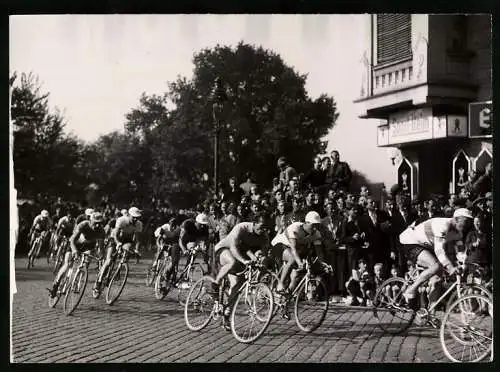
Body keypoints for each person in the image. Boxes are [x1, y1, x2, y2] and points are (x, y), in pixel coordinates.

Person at [398, 208, 473, 310]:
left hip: (427, 245)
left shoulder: (458, 232)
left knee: (437, 280)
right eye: (465, 221)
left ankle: (430, 314)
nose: (467, 225)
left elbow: (460, 250)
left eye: (469, 222)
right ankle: (411, 290)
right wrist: (450, 267)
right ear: (456, 219)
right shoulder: (443, 225)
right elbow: (439, 251)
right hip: (410, 241)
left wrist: (464, 264)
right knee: (436, 266)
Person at [211, 212, 270, 329]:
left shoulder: (264, 236)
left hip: (241, 256)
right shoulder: (242, 227)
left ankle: (227, 313)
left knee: (236, 286)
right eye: (261, 226)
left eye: (265, 227)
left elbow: (262, 253)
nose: (262, 230)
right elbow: (233, 247)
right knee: (231, 262)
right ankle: (215, 283)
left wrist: (260, 260)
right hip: (224, 249)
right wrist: (244, 261)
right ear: (254, 223)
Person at [49, 212, 105, 298]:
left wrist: (101, 258)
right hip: (75, 244)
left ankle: (77, 279)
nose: (98, 225)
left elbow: (101, 248)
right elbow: (72, 240)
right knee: (67, 264)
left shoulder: (101, 231)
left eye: (100, 223)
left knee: (85, 263)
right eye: (96, 223)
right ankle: (55, 285)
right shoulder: (83, 225)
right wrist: (74, 250)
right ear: (90, 220)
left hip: (88, 247)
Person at [272, 211, 327, 295]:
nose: (315, 228)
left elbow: (319, 252)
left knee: (297, 273)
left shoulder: (316, 234)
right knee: (293, 259)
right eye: (313, 225)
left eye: (317, 226)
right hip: (280, 245)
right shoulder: (295, 227)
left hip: (296, 249)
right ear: (306, 223)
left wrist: (323, 263)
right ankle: (280, 284)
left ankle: (288, 293)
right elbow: (293, 249)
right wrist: (299, 262)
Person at [94, 207, 143, 293]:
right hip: (115, 238)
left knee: (127, 250)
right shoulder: (122, 220)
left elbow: (137, 240)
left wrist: (137, 250)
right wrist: (118, 243)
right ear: (129, 215)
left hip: (127, 240)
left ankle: (119, 269)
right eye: (134, 217)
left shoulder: (139, 224)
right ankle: (99, 281)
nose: (135, 219)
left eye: (137, 217)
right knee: (109, 261)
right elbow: (116, 234)